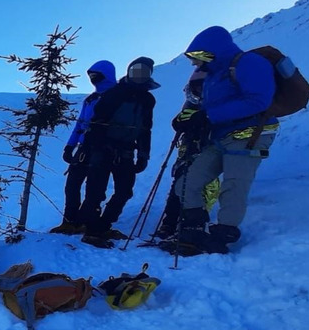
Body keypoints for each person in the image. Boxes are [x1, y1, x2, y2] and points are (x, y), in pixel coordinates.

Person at [174, 25, 277, 253]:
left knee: (234, 185)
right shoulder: (213, 75)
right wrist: (191, 120)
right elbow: (208, 106)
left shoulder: (250, 63)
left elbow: (259, 101)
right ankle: (194, 227)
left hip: (250, 134)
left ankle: (223, 234)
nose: (195, 63)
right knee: (187, 182)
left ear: (213, 50)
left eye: (198, 56)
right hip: (220, 136)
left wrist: (208, 116)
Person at [77, 57, 159, 248]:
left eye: (143, 72)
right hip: (103, 148)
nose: (139, 75)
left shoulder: (148, 99)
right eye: (136, 71)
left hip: (126, 150)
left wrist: (143, 155)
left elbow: (145, 129)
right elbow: (97, 121)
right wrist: (93, 147)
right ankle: (92, 230)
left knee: (124, 190)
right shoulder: (114, 93)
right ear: (129, 72)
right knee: (96, 189)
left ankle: (103, 225)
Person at [50, 60, 117, 234]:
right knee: (72, 184)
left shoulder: (117, 97)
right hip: (84, 146)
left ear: (106, 75)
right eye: (91, 76)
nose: (93, 79)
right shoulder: (90, 99)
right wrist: (70, 146)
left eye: (96, 75)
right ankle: (70, 220)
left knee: (95, 187)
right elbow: (80, 124)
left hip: (103, 147)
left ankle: (86, 221)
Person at [153, 69, 220, 239]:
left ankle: (186, 222)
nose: (200, 91)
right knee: (180, 185)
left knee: (196, 186)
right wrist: (183, 122)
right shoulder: (192, 104)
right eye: (197, 87)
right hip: (190, 149)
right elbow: (178, 122)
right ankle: (171, 222)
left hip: (208, 150)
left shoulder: (216, 104)